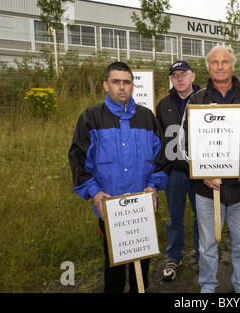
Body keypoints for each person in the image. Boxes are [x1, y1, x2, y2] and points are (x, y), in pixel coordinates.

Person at [179, 45, 240, 293]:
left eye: (224, 62)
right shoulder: (196, 100)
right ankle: (208, 287)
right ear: (208, 67)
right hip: (206, 189)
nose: (220, 66)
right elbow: (182, 143)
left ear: (233, 66)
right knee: (207, 245)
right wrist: (203, 170)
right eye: (214, 62)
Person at [68, 61, 169, 293]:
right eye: (116, 82)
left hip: (142, 207)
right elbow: (78, 158)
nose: (121, 87)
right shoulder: (90, 117)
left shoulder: (147, 118)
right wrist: (94, 192)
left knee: (141, 268)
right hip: (110, 207)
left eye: (126, 82)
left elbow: (161, 157)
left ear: (133, 85)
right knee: (113, 268)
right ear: (106, 85)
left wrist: (153, 186)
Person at [156, 60, 200, 281]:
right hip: (174, 172)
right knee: (174, 217)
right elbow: (160, 140)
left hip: (201, 171)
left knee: (201, 215)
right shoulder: (163, 104)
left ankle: (203, 256)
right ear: (171, 80)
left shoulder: (206, 99)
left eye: (184, 74)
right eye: (175, 75)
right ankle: (174, 256)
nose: (179, 78)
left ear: (193, 76)